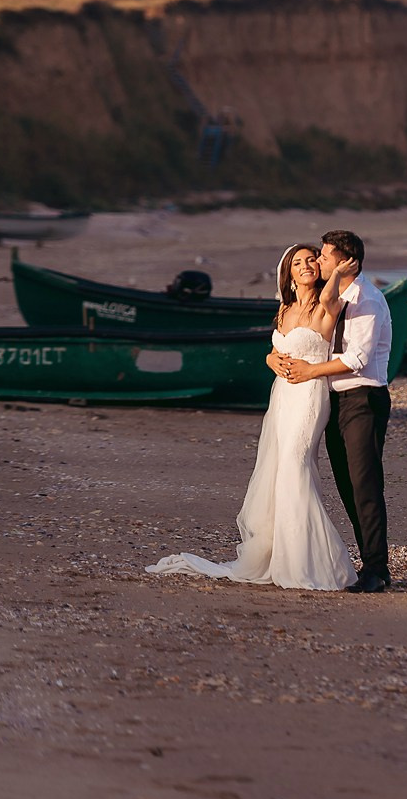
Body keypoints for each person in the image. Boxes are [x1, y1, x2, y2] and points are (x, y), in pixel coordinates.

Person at [145, 244, 358, 591]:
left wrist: (335, 272)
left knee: (295, 465)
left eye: (311, 261)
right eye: (298, 263)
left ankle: (312, 562)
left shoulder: (326, 304)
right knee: (278, 470)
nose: (306, 267)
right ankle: (281, 557)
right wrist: (269, 360)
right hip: (282, 397)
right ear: (287, 272)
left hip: (308, 394)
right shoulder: (286, 307)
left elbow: (333, 296)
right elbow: (276, 350)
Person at [306, 230, 393, 593]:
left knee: (365, 484)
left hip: (364, 399)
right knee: (345, 484)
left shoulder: (368, 300)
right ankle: (368, 561)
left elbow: (357, 359)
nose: (318, 262)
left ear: (344, 262)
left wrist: (310, 372)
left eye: (325, 257)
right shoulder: (336, 297)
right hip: (337, 401)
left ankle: (378, 568)